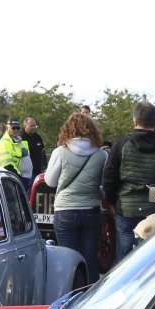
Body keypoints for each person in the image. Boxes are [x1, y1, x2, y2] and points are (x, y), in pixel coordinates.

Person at [103, 101, 155, 256]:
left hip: (126, 208)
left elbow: (109, 177)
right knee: (152, 257)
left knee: (126, 259)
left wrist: (112, 202)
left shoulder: (121, 145)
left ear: (135, 120)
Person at [46, 111, 108, 283]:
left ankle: (72, 295)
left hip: (65, 210)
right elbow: (105, 187)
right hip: (92, 211)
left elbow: (50, 182)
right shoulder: (102, 155)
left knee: (69, 261)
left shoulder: (60, 152)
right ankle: (92, 293)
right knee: (90, 259)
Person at [0, 119, 33, 187]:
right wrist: (17, 179)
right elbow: (7, 166)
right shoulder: (4, 143)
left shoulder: (20, 142)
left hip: (24, 179)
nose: (16, 130)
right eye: (13, 128)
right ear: (7, 128)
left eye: (18, 128)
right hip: (11, 181)